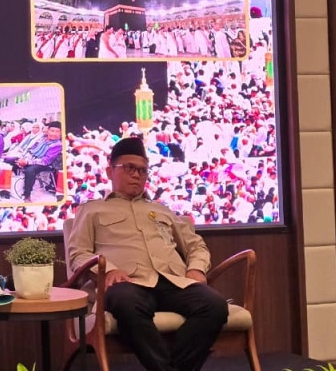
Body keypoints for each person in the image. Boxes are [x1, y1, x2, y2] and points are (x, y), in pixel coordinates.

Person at [66, 137, 229, 371]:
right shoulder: (91, 210)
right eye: (129, 168)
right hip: (127, 283)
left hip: (173, 282)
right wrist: (109, 271)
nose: (137, 175)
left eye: (142, 170)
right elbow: (78, 254)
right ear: (110, 171)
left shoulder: (162, 210)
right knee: (126, 303)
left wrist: (196, 268)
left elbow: (196, 245)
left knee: (215, 305)